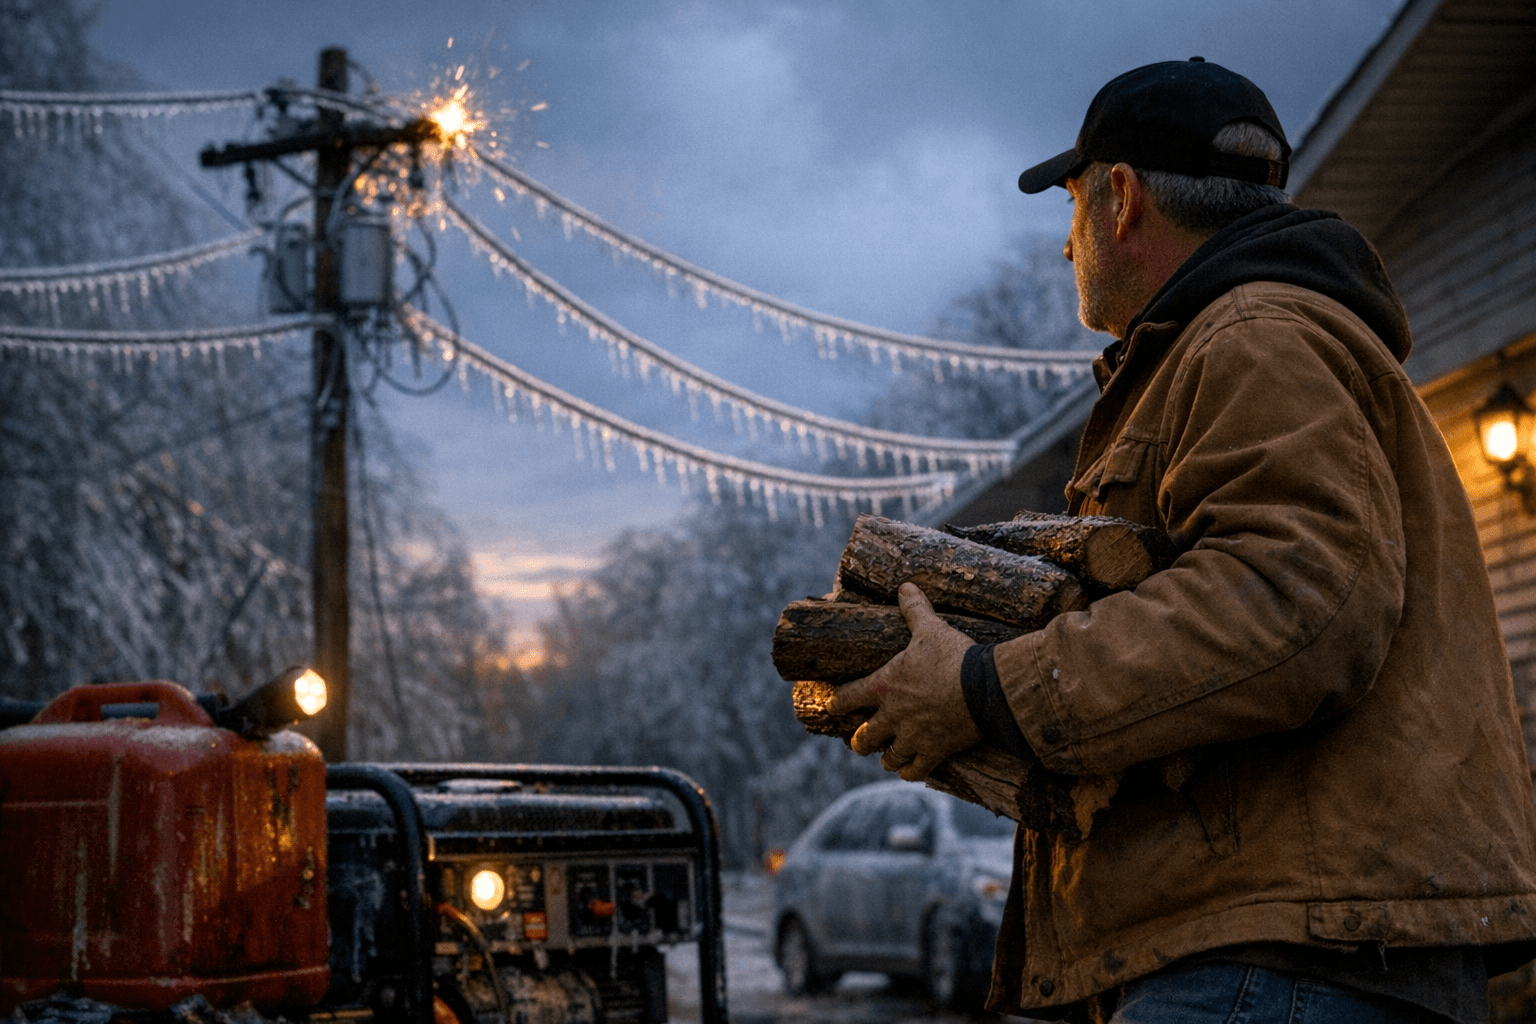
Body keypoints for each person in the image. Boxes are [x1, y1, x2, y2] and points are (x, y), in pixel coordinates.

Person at [829, 59, 1536, 1023]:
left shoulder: (1252, 334)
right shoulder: (1251, 339)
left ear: (1119, 199)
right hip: (1286, 955)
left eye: (1070, 207)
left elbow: (1294, 604)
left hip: (1274, 966)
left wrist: (984, 690)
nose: (1064, 249)